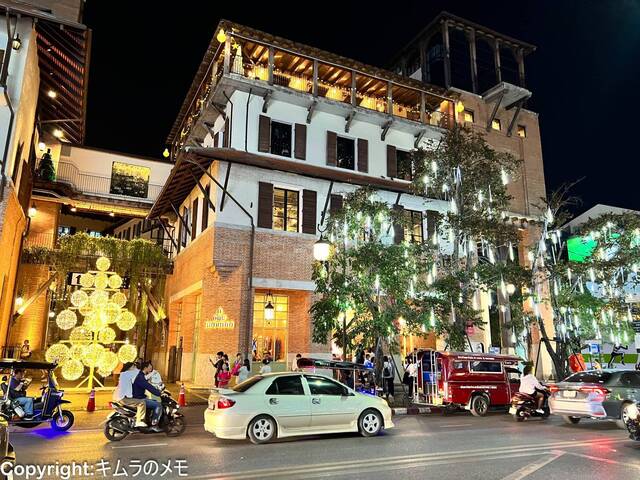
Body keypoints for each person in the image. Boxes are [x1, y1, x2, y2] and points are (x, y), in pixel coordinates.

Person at [113, 362, 147, 428]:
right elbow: (140, 373)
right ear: (129, 367)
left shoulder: (124, 374)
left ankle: (135, 417)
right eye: (133, 366)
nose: (135, 367)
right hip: (123, 398)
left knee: (136, 402)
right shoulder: (129, 373)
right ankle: (139, 421)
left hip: (117, 397)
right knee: (142, 403)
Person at [133, 361, 163, 430]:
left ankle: (147, 420)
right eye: (150, 367)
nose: (151, 368)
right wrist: (158, 393)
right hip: (139, 398)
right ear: (145, 368)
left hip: (138, 396)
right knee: (158, 405)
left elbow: (150, 384)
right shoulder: (140, 377)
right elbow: (148, 387)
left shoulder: (140, 375)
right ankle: (154, 425)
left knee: (152, 401)